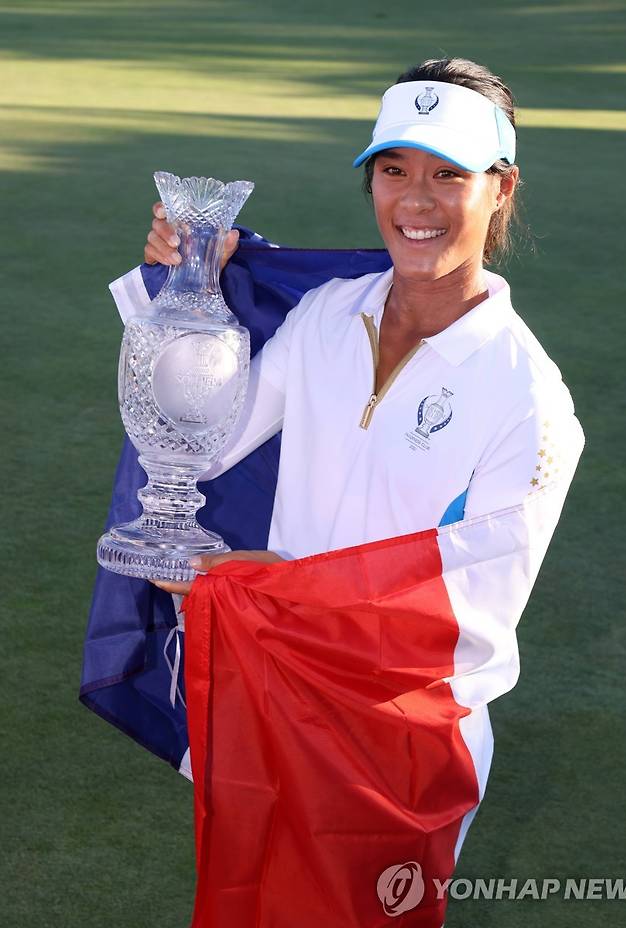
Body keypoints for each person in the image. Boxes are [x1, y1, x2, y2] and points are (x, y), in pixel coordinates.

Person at [107, 56, 586, 907]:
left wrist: (261, 590)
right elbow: (206, 444)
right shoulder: (329, 313)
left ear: (502, 189)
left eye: (449, 175)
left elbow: (459, 618)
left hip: (398, 747)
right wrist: (179, 298)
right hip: (269, 701)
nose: (416, 201)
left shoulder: (530, 397)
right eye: (394, 170)